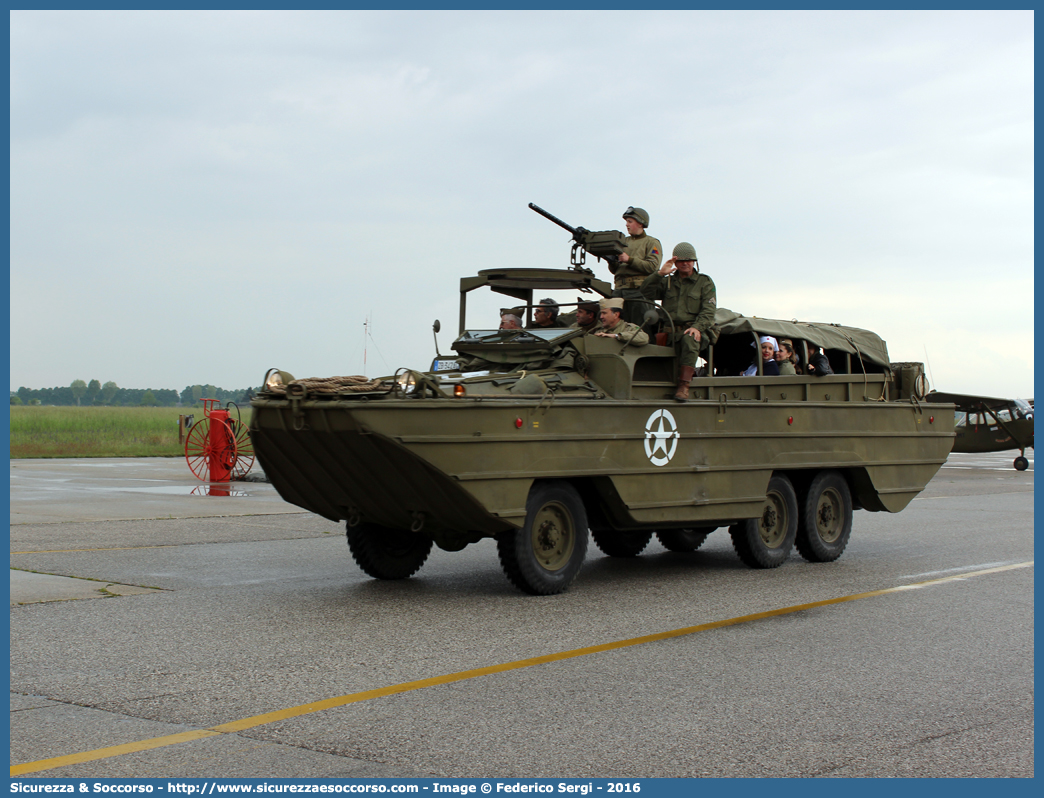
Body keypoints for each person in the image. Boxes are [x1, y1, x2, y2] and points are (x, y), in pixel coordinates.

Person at [639, 242, 716, 401]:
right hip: (669, 332)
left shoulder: (704, 282)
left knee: (690, 339)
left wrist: (697, 327)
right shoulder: (668, 282)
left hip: (691, 330)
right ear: (675, 262)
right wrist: (659, 274)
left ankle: (684, 385)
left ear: (694, 261)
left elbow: (708, 310)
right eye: (681, 260)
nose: (685, 263)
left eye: (689, 260)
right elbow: (645, 292)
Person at [611, 207, 662, 326]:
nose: (626, 225)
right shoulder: (622, 242)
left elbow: (652, 266)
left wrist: (629, 260)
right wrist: (611, 261)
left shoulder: (651, 242)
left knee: (640, 329)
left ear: (640, 223)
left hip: (639, 292)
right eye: (626, 222)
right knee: (615, 327)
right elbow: (615, 270)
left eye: (630, 221)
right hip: (619, 292)